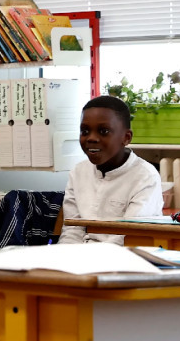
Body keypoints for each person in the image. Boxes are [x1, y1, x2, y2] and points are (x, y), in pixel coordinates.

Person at [58, 95, 163, 245]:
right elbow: (72, 231)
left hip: (123, 260)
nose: (91, 138)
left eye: (104, 131)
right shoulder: (78, 172)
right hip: (81, 259)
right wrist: (62, 260)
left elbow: (127, 236)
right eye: (85, 131)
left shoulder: (145, 177)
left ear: (126, 137)